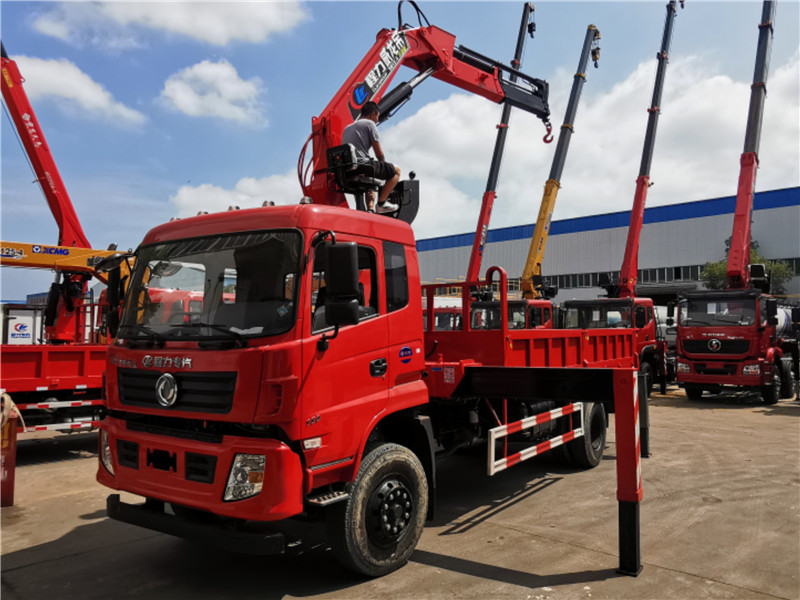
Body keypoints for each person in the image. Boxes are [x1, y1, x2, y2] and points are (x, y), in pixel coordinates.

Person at [340, 101, 401, 213]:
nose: (377, 120)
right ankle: (381, 204)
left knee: (371, 174)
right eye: (377, 116)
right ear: (373, 114)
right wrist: (383, 165)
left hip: (347, 169)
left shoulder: (347, 128)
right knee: (396, 171)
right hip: (361, 166)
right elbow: (379, 153)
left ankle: (369, 209)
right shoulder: (370, 124)